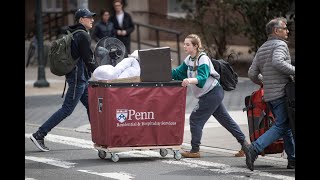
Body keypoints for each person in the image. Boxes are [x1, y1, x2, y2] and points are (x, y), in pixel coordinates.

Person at [30, 8, 99, 152]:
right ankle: (39, 134)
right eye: (89, 17)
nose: (92, 19)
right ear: (81, 20)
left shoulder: (75, 33)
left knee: (91, 106)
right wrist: (100, 73)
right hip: (78, 79)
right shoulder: (82, 35)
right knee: (67, 109)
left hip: (82, 78)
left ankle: (98, 137)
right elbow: (88, 59)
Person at [171, 34, 249, 158]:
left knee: (195, 119)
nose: (184, 46)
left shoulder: (202, 58)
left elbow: (202, 78)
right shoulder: (189, 59)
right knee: (226, 120)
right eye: (184, 44)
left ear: (196, 46)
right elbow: (178, 72)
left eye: (188, 44)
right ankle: (246, 146)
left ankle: (195, 150)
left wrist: (189, 80)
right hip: (211, 94)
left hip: (212, 93)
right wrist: (163, 71)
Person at [243, 17, 295, 171]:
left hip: (270, 95)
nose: (287, 31)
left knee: (285, 126)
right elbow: (278, 62)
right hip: (282, 93)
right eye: (285, 28)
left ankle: (292, 159)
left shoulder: (263, 48)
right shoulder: (280, 45)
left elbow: (252, 73)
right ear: (276, 30)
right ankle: (254, 149)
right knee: (282, 125)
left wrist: (265, 82)